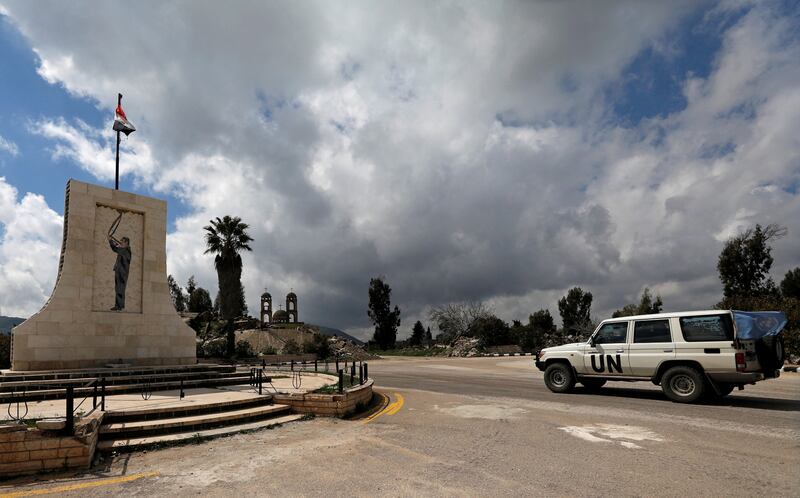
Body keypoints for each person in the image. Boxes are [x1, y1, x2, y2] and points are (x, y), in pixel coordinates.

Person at [109, 235, 131, 311]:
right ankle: (119, 305)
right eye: (121, 241)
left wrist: (111, 241)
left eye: (122, 241)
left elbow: (115, 249)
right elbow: (116, 247)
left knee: (120, 289)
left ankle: (119, 306)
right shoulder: (123, 250)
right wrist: (112, 241)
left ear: (126, 243)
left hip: (122, 273)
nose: (121, 242)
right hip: (119, 271)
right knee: (118, 289)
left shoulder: (126, 250)